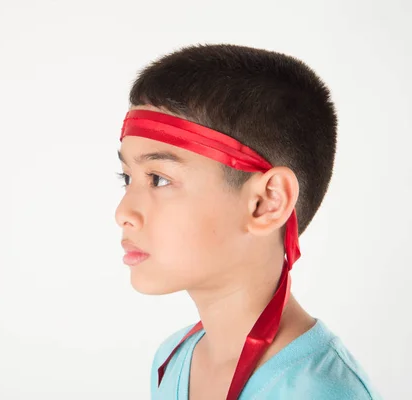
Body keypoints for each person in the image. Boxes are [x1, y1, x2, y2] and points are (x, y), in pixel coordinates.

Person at [114, 44, 381, 399]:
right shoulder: (172, 360)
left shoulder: (320, 392)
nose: (123, 213)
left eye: (159, 179)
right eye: (126, 178)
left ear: (266, 202)